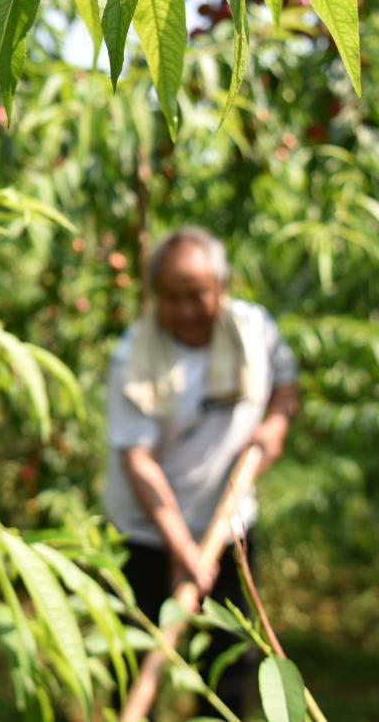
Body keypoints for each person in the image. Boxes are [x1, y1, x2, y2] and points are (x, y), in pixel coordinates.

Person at [104, 226, 300, 717]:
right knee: (132, 663)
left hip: (228, 525)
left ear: (220, 288)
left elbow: (286, 384)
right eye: (170, 297)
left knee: (230, 662)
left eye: (197, 296)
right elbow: (137, 460)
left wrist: (274, 426)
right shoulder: (136, 356)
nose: (185, 310)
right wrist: (183, 549)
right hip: (145, 534)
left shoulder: (254, 330)